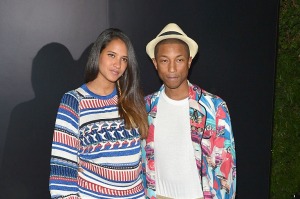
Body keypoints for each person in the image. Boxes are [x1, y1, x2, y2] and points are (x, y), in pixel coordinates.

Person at [49, 28, 148, 199]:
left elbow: (144, 159)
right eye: (111, 55)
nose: (118, 64)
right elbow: (62, 168)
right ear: (98, 54)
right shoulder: (74, 101)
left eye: (124, 59)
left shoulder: (132, 100)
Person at [141, 23, 236, 199]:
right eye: (164, 60)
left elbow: (226, 168)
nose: (171, 68)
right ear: (155, 63)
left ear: (189, 61)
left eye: (179, 60)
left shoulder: (214, 107)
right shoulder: (145, 107)